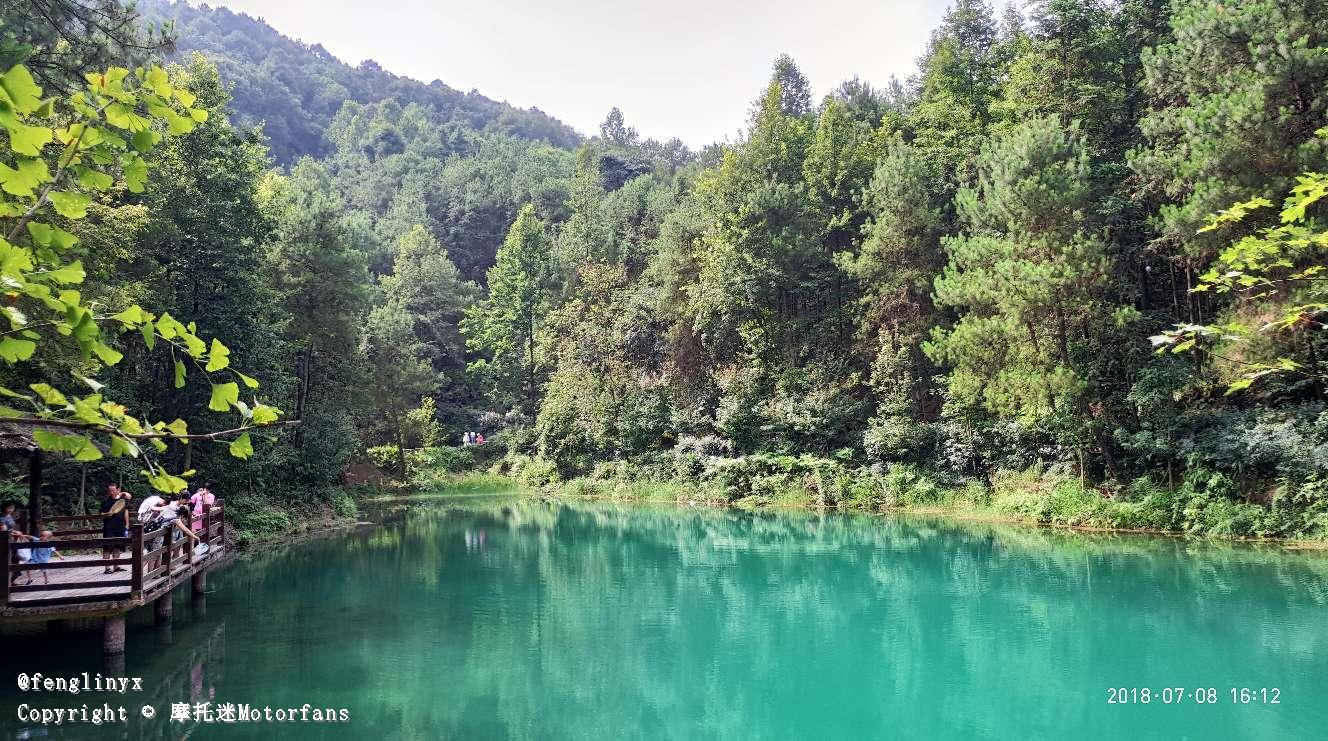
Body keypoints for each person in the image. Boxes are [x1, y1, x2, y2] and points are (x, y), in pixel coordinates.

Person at [100, 484, 130, 574]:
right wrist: (107, 514)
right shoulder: (105, 501)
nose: (111, 492)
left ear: (117, 490)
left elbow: (126, 512)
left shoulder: (122, 501)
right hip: (109, 528)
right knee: (107, 548)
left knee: (117, 547)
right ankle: (107, 568)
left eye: (113, 490)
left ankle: (116, 566)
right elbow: (101, 514)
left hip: (120, 527)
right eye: (110, 491)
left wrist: (127, 525)